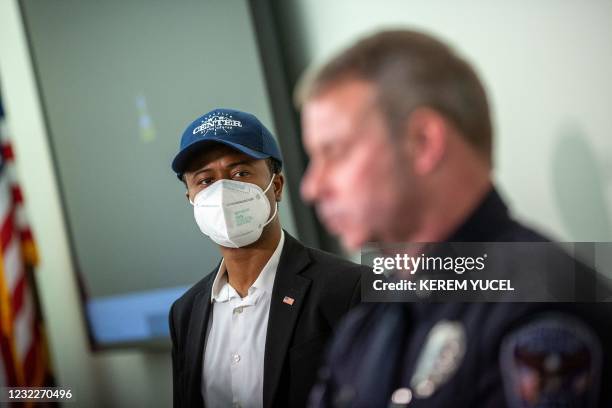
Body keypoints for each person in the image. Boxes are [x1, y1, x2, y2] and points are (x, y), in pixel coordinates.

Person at [297, 30, 612, 407]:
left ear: (424, 142)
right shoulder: (365, 324)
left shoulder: (544, 304)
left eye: (334, 151)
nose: (311, 188)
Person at [168, 108, 364, 408]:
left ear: (276, 186)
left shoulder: (348, 287)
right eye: (205, 181)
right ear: (191, 199)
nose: (222, 191)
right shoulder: (185, 313)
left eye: (240, 173)